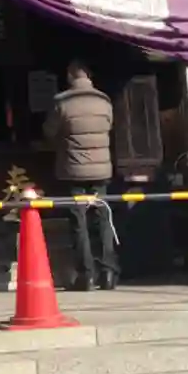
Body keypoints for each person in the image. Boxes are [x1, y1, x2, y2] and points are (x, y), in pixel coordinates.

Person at [44, 60, 118, 291]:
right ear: (89, 76)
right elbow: (110, 126)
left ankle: (86, 275)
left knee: (79, 222)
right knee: (103, 219)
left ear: (70, 76)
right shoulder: (104, 100)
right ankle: (108, 273)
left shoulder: (62, 102)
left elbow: (49, 132)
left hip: (74, 170)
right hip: (101, 170)